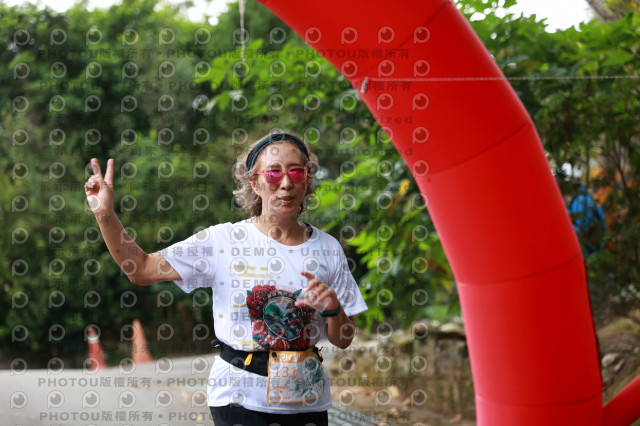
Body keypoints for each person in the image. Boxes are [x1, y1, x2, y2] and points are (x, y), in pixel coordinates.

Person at [84, 132, 368, 426]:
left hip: (308, 400)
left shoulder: (328, 248)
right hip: (239, 397)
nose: (286, 183)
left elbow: (343, 339)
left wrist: (333, 309)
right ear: (254, 182)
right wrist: (105, 214)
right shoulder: (224, 241)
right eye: (273, 173)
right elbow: (141, 269)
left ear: (307, 180)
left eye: (296, 171)